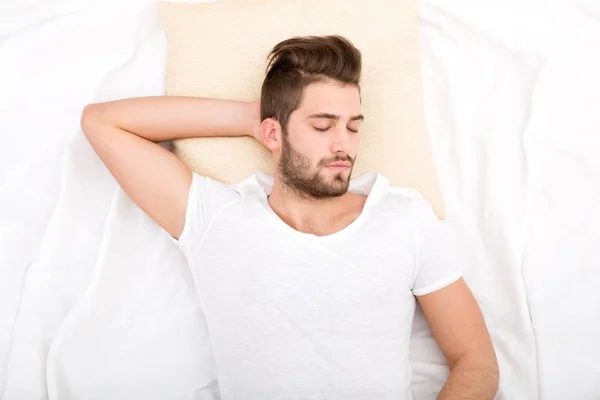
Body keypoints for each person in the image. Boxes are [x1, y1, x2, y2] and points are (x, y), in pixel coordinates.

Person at [81, 35, 499, 399]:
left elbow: (476, 360)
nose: (344, 146)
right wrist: (253, 117)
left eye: (353, 127)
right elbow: (103, 123)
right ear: (272, 134)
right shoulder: (217, 218)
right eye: (322, 125)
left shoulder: (404, 217)